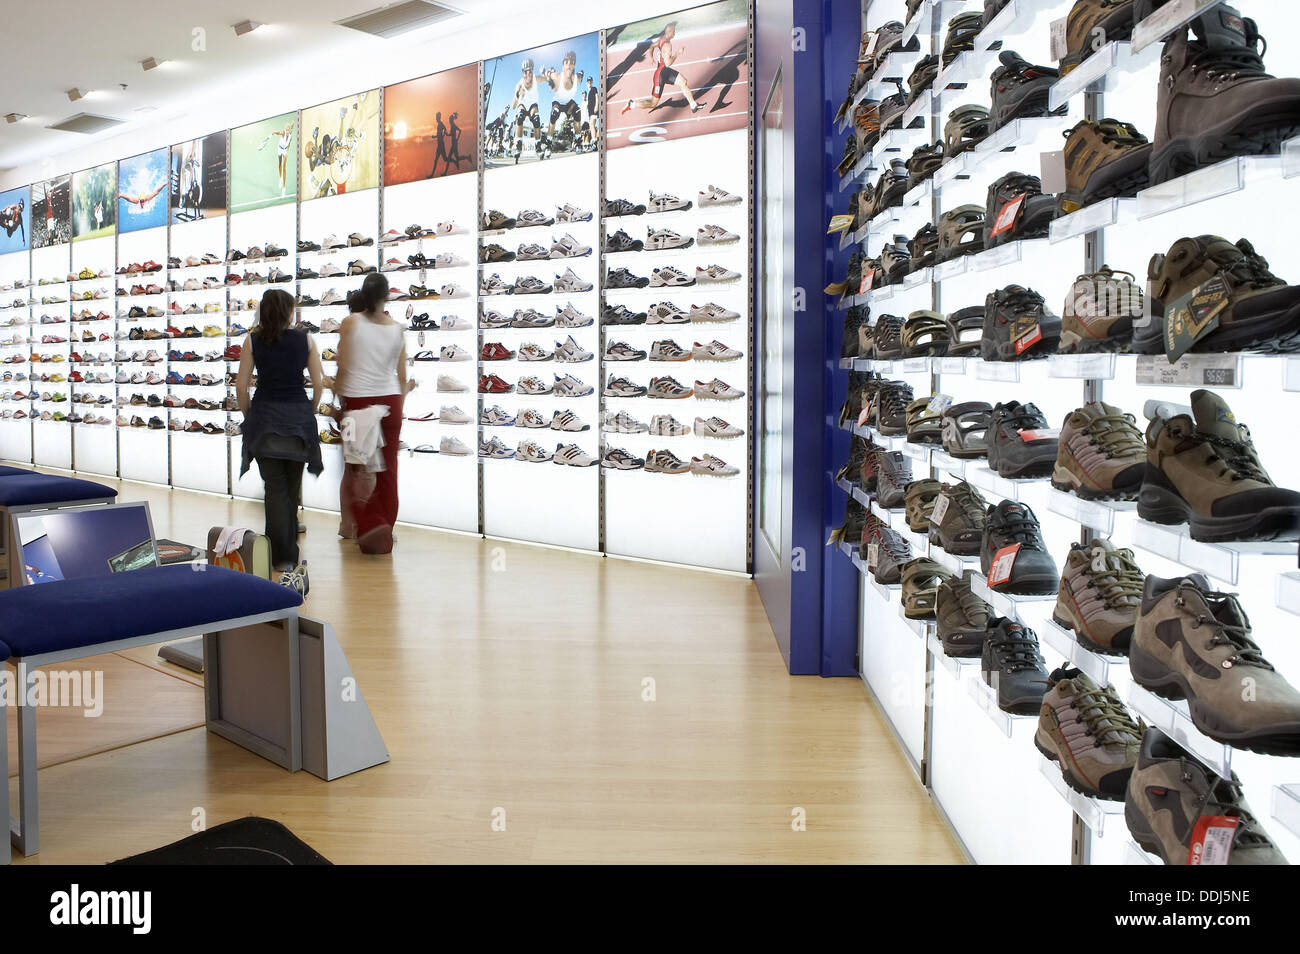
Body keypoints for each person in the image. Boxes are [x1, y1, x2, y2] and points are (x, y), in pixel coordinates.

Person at [236, 288, 323, 592]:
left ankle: (279, 556)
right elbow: (319, 382)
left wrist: (251, 416)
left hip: (266, 418)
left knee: (274, 488)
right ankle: (287, 554)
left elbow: (242, 385)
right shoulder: (305, 339)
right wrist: (308, 410)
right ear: (288, 311)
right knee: (291, 488)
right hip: (298, 419)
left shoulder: (252, 340)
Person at [331, 273, 412, 555]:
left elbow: (344, 365)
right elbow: (401, 375)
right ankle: (384, 528)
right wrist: (399, 404)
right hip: (390, 401)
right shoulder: (397, 329)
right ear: (387, 296)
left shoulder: (351, 323)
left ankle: (366, 526)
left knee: (357, 469)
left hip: (357, 401)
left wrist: (336, 398)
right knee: (389, 471)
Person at [621, 21, 705, 115]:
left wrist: (651, 56)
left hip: (665, 72)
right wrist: (678, 53)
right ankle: (632, 104)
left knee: (683, 81)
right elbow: (668, 63)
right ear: (669, 32)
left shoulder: (661, 39)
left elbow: (651, 46)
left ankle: (693, 106)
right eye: (673, 31)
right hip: (660, 76)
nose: (674, 33)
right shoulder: (668, 45)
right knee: (653, 103)